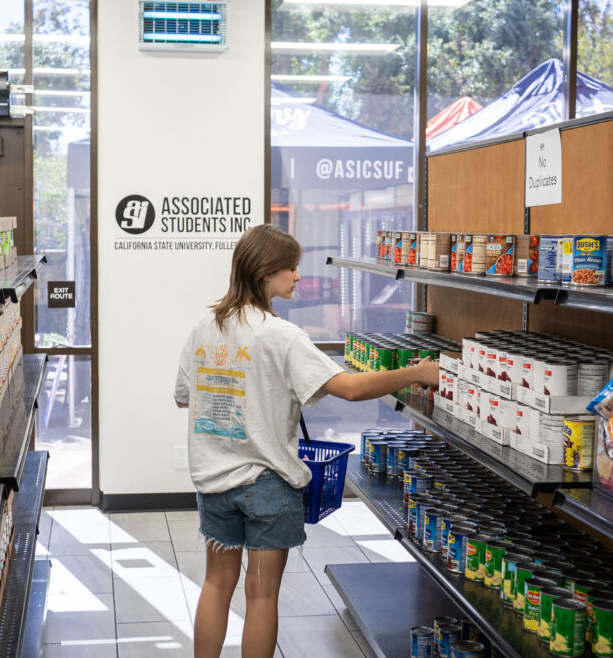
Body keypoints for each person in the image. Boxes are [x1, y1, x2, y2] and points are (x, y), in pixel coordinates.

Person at [174, 224, 438, 658]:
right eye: (291, 269)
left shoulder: (205, 327)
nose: (298, 277)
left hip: (213, 479)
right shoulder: (281, 335)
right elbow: (350, 389)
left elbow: (188, 400)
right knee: (261, 597)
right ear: (265, 273)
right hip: (267, 485)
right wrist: (416, 373)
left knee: (216, 585)